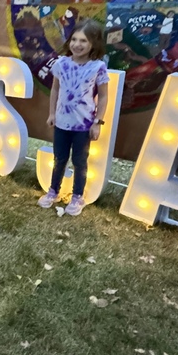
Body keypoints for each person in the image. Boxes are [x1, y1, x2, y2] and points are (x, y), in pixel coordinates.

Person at [37, 19, 109, 216]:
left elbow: (103, 96)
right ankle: (53, 191)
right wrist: (52, 113)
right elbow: (55, 90)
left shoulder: (98, 67)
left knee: (80, 161)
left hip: (83, 126)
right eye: (74, 39)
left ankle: (78, 196)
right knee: (59, 158)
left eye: (84, 41)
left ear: (94, 43)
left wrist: (98, 122)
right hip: (61, 123)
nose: (78, 44)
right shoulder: (61, 64)